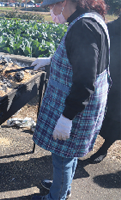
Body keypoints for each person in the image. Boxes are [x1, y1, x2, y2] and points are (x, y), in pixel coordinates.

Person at [30, 0, 110, 199]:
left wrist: (67, 117)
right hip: (81, 103)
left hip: (76, 106)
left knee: (62, 157)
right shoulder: (88, 19)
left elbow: (85, 81)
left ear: (64, 2)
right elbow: (82, 60)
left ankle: (57, 196)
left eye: (51, 7)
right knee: (69, 153)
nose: (51, 11)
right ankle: (62, 186)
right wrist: (51, 61)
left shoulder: (83, 27)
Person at [87, 15, 121, 164]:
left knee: (116, 119)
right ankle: (86, 143)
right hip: (104, 77)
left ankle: (104, 149)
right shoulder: (110, 27)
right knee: (95, 113)